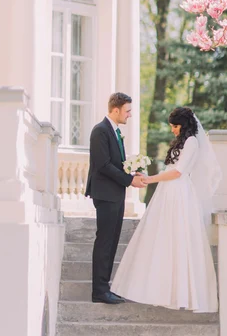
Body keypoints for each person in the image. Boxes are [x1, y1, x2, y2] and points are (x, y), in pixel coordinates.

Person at [111, 107, 221, 313]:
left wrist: (150, 179)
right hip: (168, 192)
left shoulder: (192, 142)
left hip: (179, 194)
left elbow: (178, 172)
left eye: (175, 126)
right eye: (171, 126)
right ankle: (162, 289)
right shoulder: (182, 142)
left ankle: (180, 292)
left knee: (178, 240)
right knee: (162, 238)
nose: (173, 130)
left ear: (184, 125)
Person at [85, 92, 145, 304]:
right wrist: (130, 181)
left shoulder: (115, 131)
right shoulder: (100, 131)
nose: (129, 115)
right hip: (106, 195)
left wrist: (132, 172)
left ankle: (105, 287)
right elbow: (103, 165)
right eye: (127, 111)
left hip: (115, 194)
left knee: (111, 242)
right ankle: (99, 291)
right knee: (105, 242)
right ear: (116, 109)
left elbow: (116, 163)